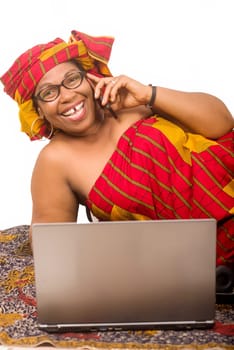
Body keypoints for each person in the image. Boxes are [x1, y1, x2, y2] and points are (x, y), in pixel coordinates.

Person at [1, 30, 233, 269]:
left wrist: (148, 95)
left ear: (89, 79)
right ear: (38, 110)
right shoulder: (55, 160)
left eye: (72, 79)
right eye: (49, 93)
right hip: (190, 262)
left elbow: (222, 123)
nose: (67, 96)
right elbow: (50, 245)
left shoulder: (136, 103)